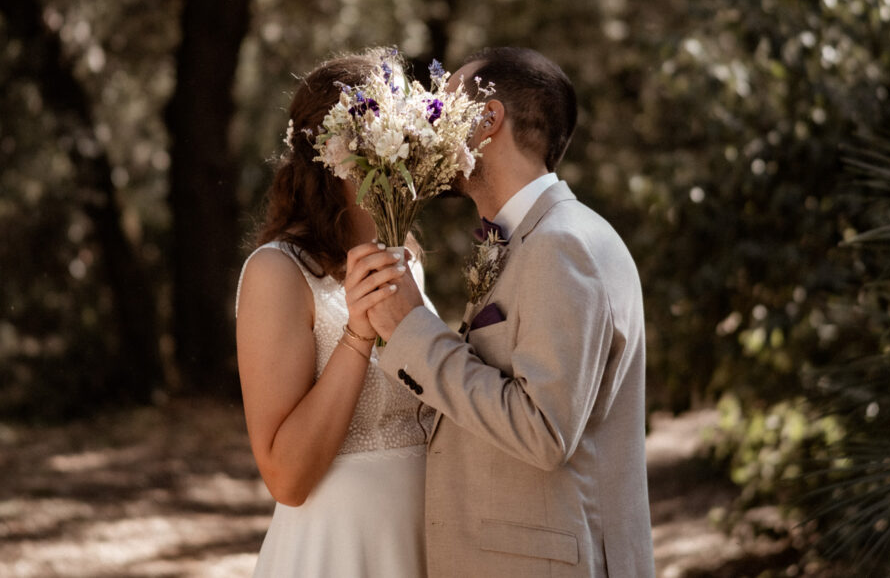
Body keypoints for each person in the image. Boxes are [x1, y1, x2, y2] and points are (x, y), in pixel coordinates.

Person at [346, 47, 656, 577]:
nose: (426, 129)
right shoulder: (529, 240)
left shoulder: (563, 246)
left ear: (487, 120)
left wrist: (412, 329)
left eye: (442, 109)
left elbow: (543, 431)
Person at [234, 52, 434, 577]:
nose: (409, 148)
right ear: (332, 151)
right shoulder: (277, 272)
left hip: (430, 537)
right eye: (391, 131)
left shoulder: (408, 255)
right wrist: (356, 335)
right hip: (339, 548)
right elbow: (285, 479)